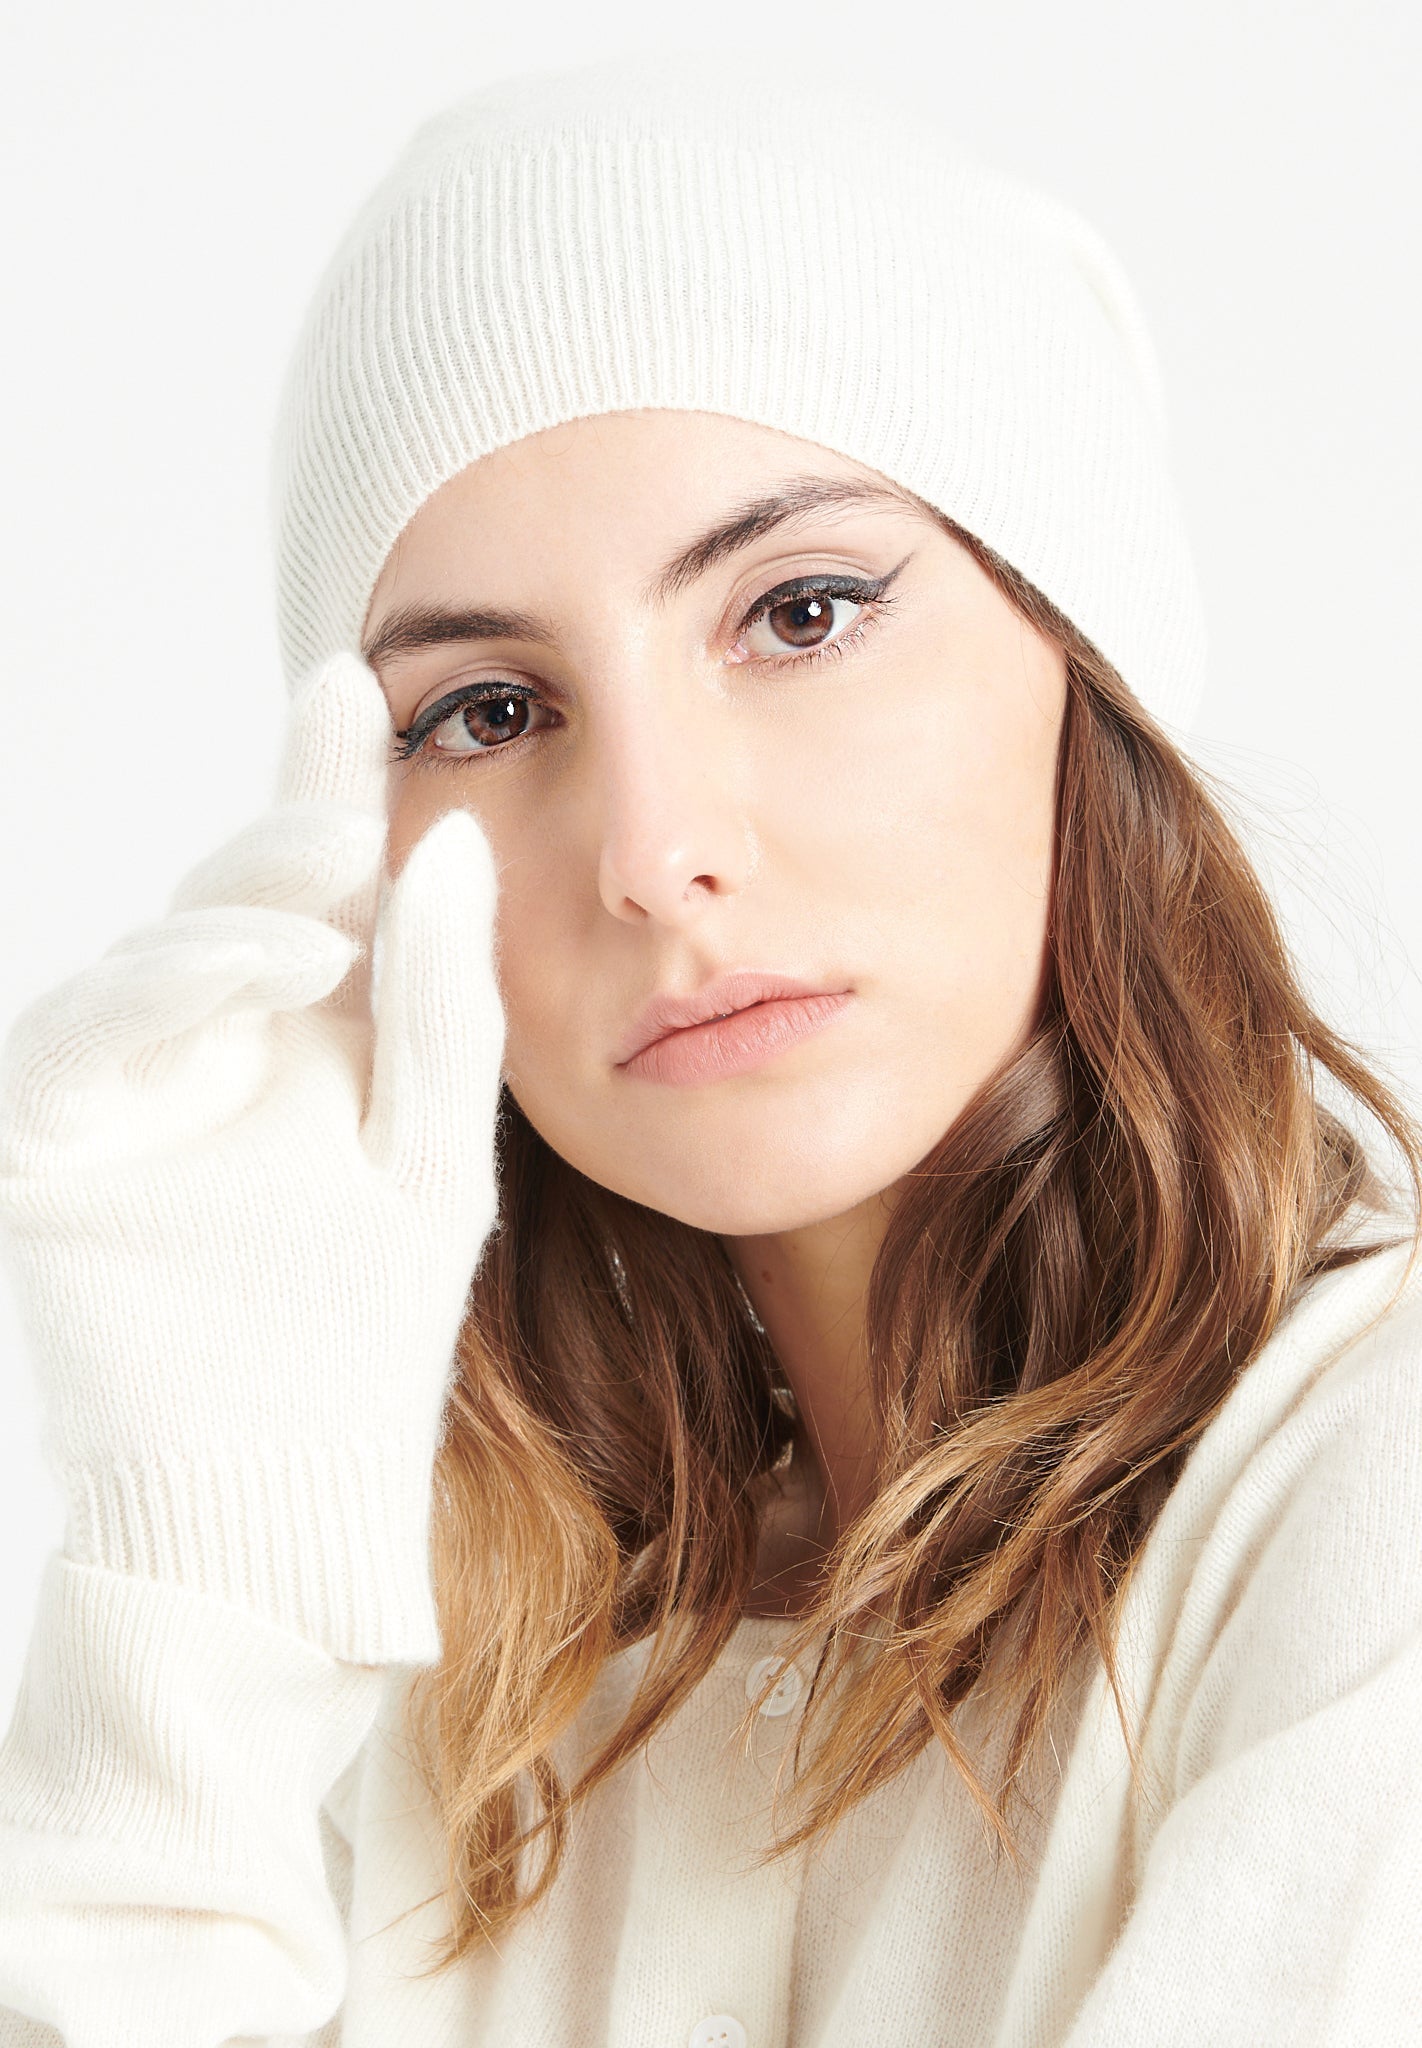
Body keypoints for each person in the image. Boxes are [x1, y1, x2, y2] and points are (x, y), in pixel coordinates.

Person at [1, 51, 1420, 2048]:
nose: (657, 852)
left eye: (807, 609)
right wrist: (190, 1564)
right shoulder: (464, 1681)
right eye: (487, 712)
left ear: (1079, 641)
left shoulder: (1372, 1494)